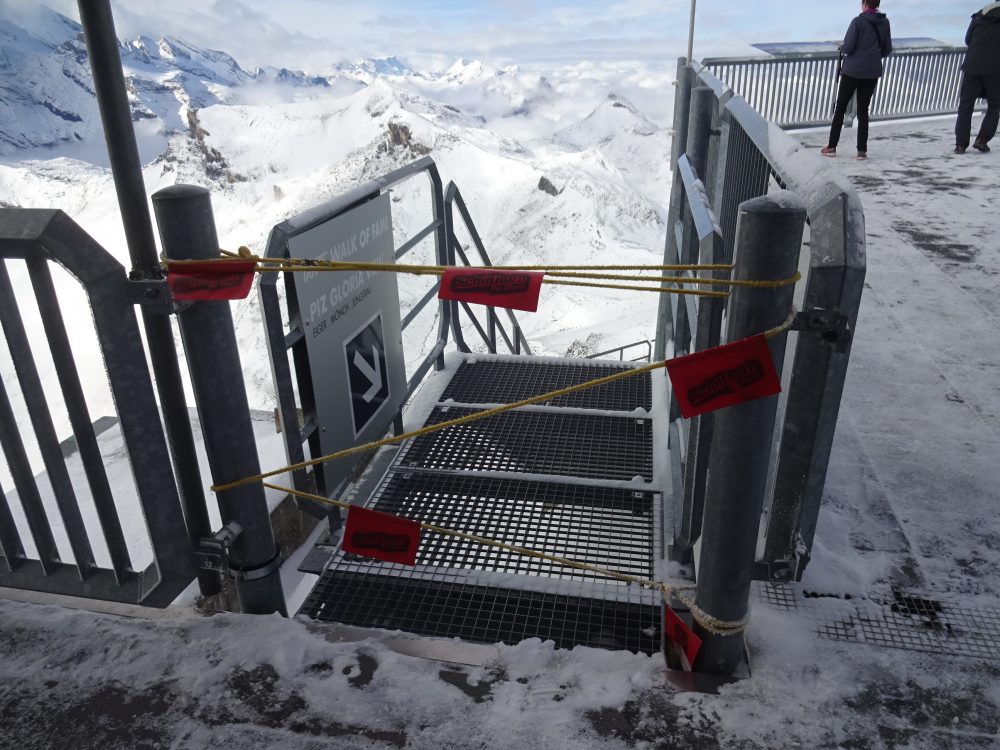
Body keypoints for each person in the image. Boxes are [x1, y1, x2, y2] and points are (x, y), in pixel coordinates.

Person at [821, 0, 893, 160]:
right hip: (872, 72)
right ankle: (862, 151)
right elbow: (887, 49)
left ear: (866, 3)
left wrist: (842, 47)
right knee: (863, 110)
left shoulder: (858, 22)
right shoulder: (885, 22)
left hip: (852, 72)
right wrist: (871, 56)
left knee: (840, 108)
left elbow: (848, 47)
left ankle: (832, 146)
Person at [954, 2, 1000, 154]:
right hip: (994, 69)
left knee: (966, 105)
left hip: (972, 66)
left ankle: (960, 145)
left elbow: (968, 40)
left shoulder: (980, 15)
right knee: (994, 105)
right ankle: (982, 140)